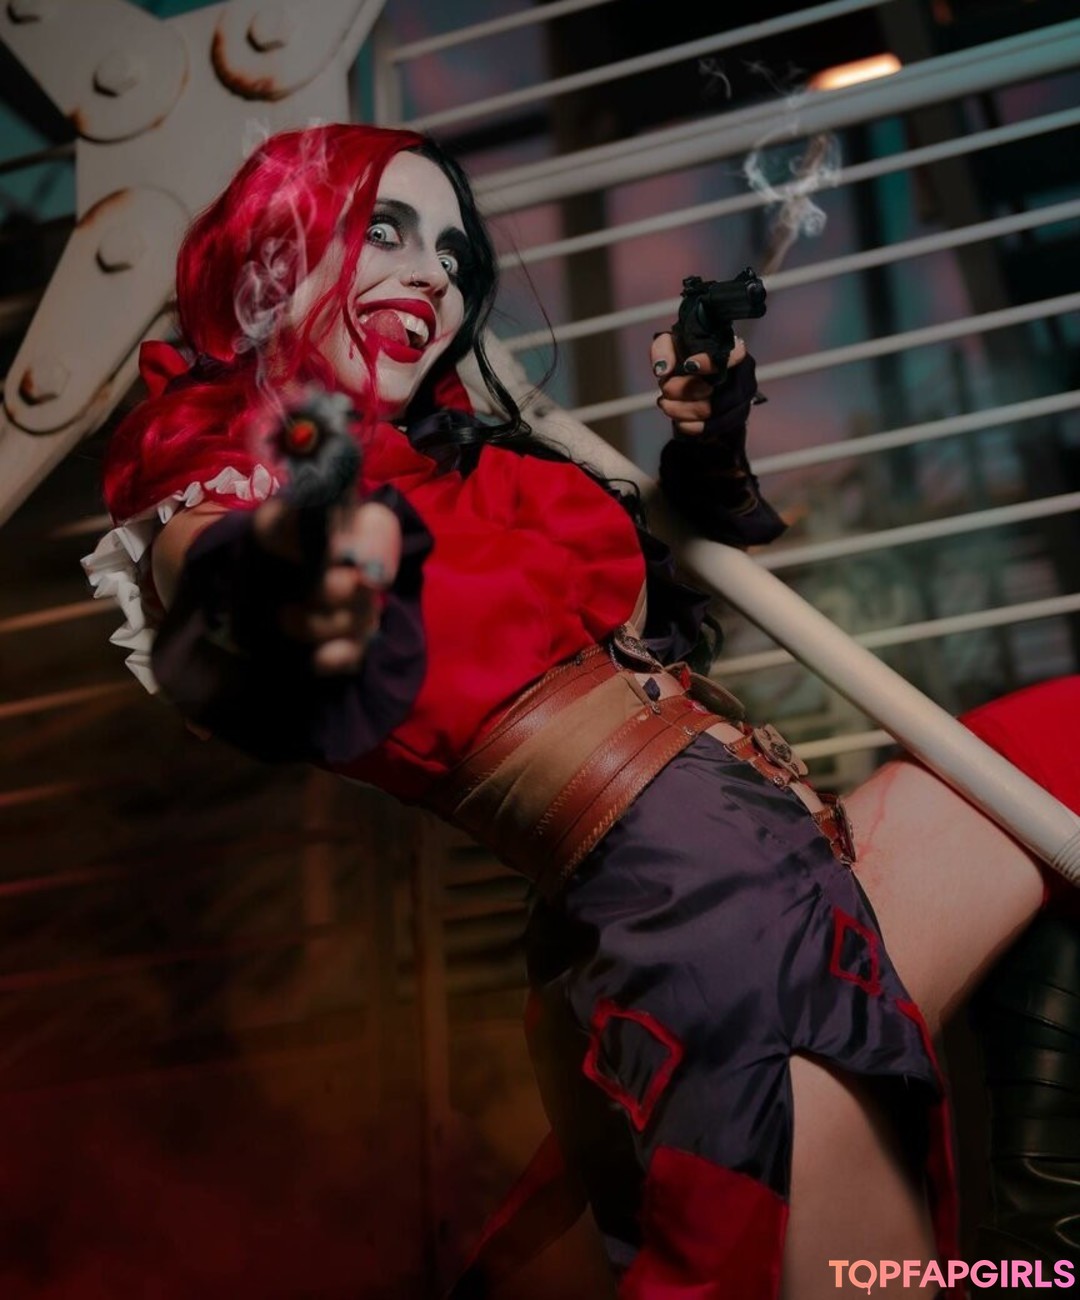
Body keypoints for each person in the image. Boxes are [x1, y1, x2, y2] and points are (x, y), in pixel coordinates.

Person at [83, 123, 1080, 1298]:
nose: (433, 276)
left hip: (793, 864)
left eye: (454, 255)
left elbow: (657, 592)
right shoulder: (226, 486)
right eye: (386, 229)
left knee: (1058, 752)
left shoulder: (475, 471)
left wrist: (705, 436)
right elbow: (233, 599)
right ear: (272, 257)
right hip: (712, 938)